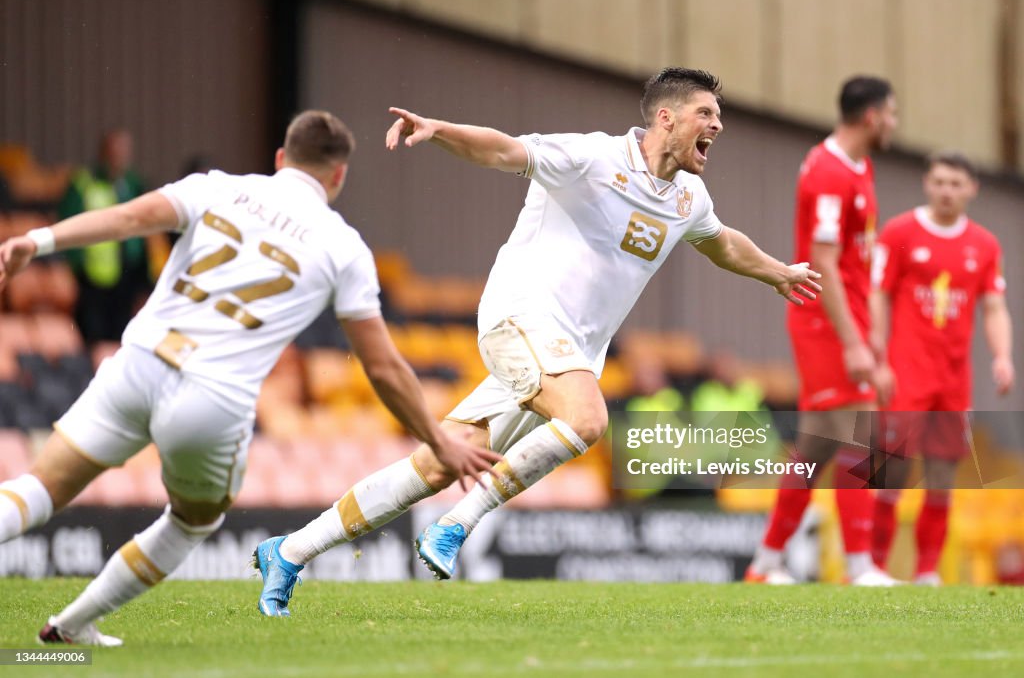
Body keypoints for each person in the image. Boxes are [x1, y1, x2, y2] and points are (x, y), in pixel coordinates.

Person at [253, 67, 823, 615]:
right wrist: (440, 130)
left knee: (436, 465)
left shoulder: (687, 199)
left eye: (719, 115)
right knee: (587, 419)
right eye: (707, 113)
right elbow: (505, 150)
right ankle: (456, 525)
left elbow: (721, 242)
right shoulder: (592, 157)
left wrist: (777, 271)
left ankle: (289, 551)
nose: (717, 125)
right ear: (667, 118)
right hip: (519, 317)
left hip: (566, 353)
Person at [0, 110, 498, 645]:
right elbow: (381, 367)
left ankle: (73, 624)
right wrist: (437, 439)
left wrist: (41, 240)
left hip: (140, 360)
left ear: (282, 158)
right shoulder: (343, 246)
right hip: (212, 397)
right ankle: (73, 625)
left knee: (39, 488)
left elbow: (127, 219)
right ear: (338, 177)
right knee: (191, 521)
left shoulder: (217, 188)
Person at [746, 76, 899, 586]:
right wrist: (853, 342)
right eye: (892, 114)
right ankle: (860, 566)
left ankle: (766, 563)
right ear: (873, 116)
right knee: (864, 437)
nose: (896, 124)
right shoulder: (829, 173)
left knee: (818, 448)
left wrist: (872, 332)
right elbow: (826, 265)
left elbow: (859, 264)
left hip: (846, 321)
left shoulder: (859, 167)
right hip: (824, 324)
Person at [869, 151, 1013, 584]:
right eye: (939, 182)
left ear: (972, 189)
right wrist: (878, 355)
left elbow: (993, 307)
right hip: (905, 371)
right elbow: (878, 294)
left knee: (943, 473)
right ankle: (872, 566)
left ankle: (927, 570)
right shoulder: (899, 232)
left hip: (953, 379)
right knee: (889, 469)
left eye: (955, 183)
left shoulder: (984, 245)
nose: (946, 191)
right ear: (926, 184)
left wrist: (1003, 355)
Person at [58, 129, 154, 343]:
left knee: (122, 334)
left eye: (125, 150)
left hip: (126, 273)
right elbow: (67, 223)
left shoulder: (133, 183)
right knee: (94, 334)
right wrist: (77, 267)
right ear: (103, 152)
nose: (121, 156)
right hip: (92, 276)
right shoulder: (83, 182)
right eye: (116, 150)